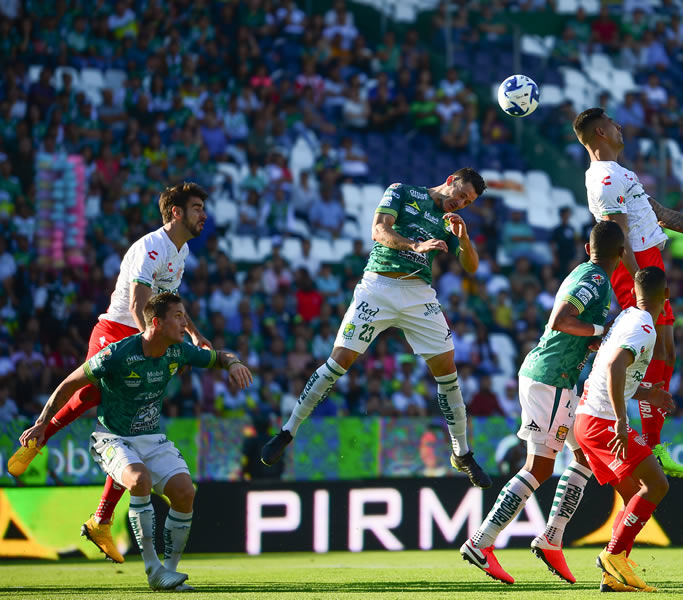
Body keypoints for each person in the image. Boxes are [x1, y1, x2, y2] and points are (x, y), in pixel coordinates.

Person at [7, 182, 212, 564]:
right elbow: (138, 305)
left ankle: (101, 520)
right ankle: (38, 437)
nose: (204, 214)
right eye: (198, 207)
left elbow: (168, 308)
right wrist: (145, 348)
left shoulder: (180, 254)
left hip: (143, 335)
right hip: (117, 331)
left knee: (126, 426)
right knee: (89, 393)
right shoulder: (152, 248)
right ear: (177, 212)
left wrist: (196, 335)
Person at [462, 222, 674, 588]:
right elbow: (559, 321)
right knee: (540, 467)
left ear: (585, 245)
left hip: (557, 378)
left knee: (581, 458)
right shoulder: (595, 279)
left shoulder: (587, 274)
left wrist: (596, 343)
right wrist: (598, 333)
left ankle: (552, 538)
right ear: (622, 253)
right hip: (551, 377)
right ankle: (481, 543)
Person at [261, 168, 492, 488]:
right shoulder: (403, 191)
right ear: (451, 180)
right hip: (379, 286)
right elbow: (378, 231)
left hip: (418, 295)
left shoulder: (450, 223)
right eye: (461, 195)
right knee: (338, 362)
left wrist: (463, 238)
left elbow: (471, 267)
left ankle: (462, 453)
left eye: (468, 203)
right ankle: (287, 431)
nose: (461, 203)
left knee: (448, 374)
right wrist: (416, 246)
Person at [18, 292, 252, 591]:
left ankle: (170, 572)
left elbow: (220, 355)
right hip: (112, 438)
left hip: (152, 439)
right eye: (178, 316)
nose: (185, 324)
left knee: (185, 493)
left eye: (184, 315)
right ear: (156, 322)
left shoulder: (178, 351)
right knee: (139, 479)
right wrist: (42, 423)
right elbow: (68, 385)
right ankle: (153, 568)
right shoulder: (117, 353)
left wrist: (233, 364)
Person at [573, 107, 683, 479]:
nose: (620, 128)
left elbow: (661, 214)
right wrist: (640, 281)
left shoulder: (622, 174)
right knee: (647, 348)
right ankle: (638, 435)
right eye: (614, 125)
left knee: (666, 349)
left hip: (649, 264)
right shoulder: (603, 178)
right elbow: (618, 239)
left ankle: (652, 440)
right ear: (601, 132)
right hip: (634, 267)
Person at [577, 266, 674, 592]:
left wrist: (648, 392)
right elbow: (616, 364)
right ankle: (613, 555)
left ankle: (613, 576)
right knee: (657, 485)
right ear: (667, 297)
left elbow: (612, 368)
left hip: (586, 417)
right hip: (603, 420)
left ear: (634, 292)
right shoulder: (646, 327)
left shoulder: (626, 316)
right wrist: (621, 419)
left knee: (635, 494)